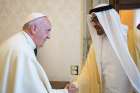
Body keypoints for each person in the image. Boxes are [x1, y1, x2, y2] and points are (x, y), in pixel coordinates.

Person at [0, 13, 78, 93]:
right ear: (34, 29)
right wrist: (66, 92)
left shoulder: (14, 41)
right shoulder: (23, 52)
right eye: (47, 30)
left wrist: (65, 91)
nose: (49, 36)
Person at [86, 4, 140, 93]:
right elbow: (87, 72)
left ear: (108, 19)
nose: (94, 24)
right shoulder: (97, 45)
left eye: (96, 20)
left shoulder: (132, 37)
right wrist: (76, 85)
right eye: (93, 21)